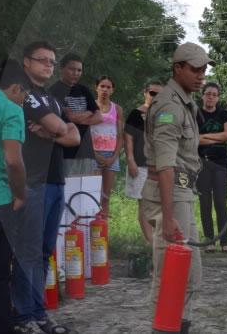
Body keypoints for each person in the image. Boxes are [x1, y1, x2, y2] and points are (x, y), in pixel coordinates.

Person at [141, 42, 213, 331]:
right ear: (177, 68)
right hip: (169, 194)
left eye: (204, 69)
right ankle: (163, 328)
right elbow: (165, 164)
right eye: (195, 69)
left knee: (190, 274)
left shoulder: (185, 101)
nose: (201, 75)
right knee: (171, 273)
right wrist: (168, 217)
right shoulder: (169, 105)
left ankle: (178, 325)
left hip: (182, 192)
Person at [13, 41, 80, 334]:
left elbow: (73, 135)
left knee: (43, 251)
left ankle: (39, 313)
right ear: (26, 62)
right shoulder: (24, 95)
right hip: (32, 182)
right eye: (43, 60)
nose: (49, 66)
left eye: (52, 61)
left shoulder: (49, 98)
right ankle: (23, 316)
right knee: (27, 252)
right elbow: (60, 127)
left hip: (56, 180)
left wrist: (51, 134)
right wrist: (57, 130)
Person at [0, 59, 28, 334]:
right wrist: (20, 194)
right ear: (16, 87)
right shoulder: (10, 110)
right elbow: (13, 162)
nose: (25, 99)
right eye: (25, 93)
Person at [49, 53, 102, 176]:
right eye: (72, 69)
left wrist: (76, 118)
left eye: (79, 70)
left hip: (86, 151)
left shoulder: (84, 90)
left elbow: (99, 117)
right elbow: (66, 119)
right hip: (65, 152)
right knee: (68, 191)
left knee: (85, 192)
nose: (76, 73)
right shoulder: (53, 91)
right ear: (62, 69)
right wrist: (88, 113)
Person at [124, 80, 163, 244]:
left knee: (159, 204)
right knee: (144, 204)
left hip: (160, 166)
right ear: (145, 93)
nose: (156, 97)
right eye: (153, 93)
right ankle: (150, 242)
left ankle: (159, 238)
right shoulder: (135, 113)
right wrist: (131, 160)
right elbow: (128, 138)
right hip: (140, 164)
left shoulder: (165, 114)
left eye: (160, 94)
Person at [196, 82, 227, 253]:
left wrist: (206, 137)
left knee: (220, 201)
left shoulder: (223, 113)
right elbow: (194, 139)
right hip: (201, 162)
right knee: (205, 202)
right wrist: (216, 138)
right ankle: (209, 239)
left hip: (220, 164)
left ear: (218, 97)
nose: (211, 97)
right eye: (208, 94)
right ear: (202, 95)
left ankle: (224, 241)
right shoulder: (195, 113)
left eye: (214, 94)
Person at [90, 76, 123, 216]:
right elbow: (84, 133)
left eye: (108, 87)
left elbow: (120, 135)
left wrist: (114, 157)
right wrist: (94, 154)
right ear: (96, 87)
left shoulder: (117, 109)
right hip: (93, 154)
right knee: (93, 194)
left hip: (111, 154)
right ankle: (91, 227)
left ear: (112, 90)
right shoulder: (90, 106)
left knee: (106, 196)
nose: (105, 89)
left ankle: (103, 231)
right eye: (102, 86)